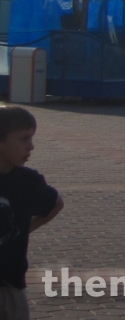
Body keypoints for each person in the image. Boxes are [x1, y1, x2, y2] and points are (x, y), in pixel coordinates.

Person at [0, 106, 64, 320]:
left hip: (11, 284)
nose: (31, 146)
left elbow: (56, 204)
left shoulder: (28, 181)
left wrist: (21, 230)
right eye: (23, 139)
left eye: (32, 138)